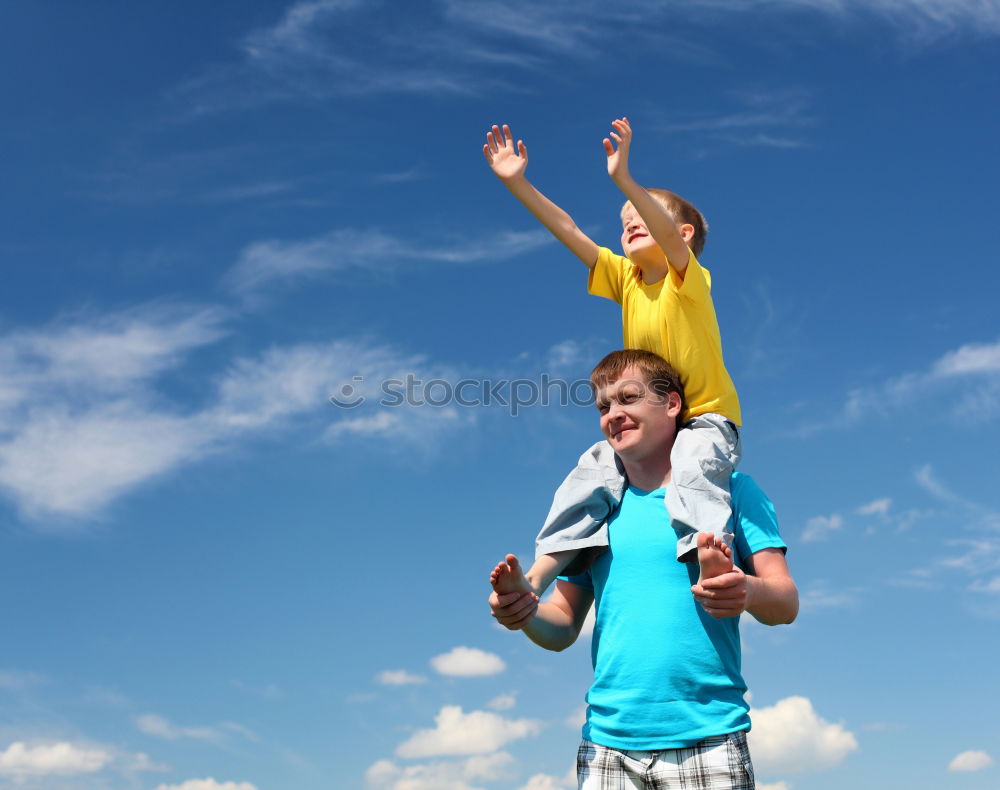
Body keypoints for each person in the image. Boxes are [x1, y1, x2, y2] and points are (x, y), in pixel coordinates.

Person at [489, 350, 798, 790]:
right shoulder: (595, 511)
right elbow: (561, 626)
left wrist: (744, 590)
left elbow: (785, 602)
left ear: (672, 404)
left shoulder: (732, 492)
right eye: (603, 407)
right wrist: (523, 610)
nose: (614, 415)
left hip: (707, 739)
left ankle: (710, 555)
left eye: (628, 398)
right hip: (606, 748)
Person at [483, 117, 741, 596]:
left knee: (695, 465)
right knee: (589, 473)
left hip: (702, 418)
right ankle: (537, 577)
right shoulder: (625, 280)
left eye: (641, 219)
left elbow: (664, 232)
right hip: (649, 422)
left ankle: (709, 555)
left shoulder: (689, 280)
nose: (629, 227)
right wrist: (517, 183)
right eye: (624, 225)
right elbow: (569, 229)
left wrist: (625, 179)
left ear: (681, 234)